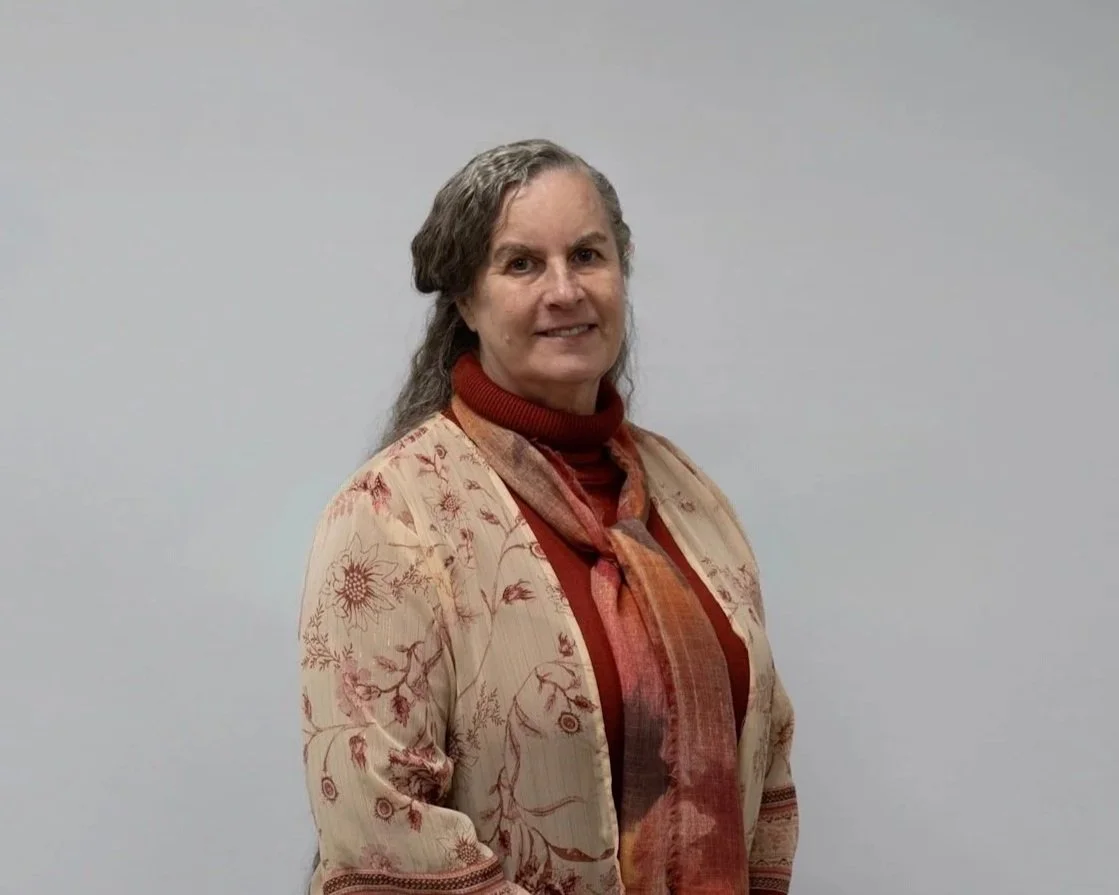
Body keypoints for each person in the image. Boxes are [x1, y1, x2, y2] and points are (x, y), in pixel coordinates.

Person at [298, 139, 798, 894]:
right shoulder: (389, 516)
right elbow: (383, 827)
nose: (564, 290)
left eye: (587, 255)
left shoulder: (689, 497)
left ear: (622, 271)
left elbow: (766, 754)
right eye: (522, 264)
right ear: (466, 300)